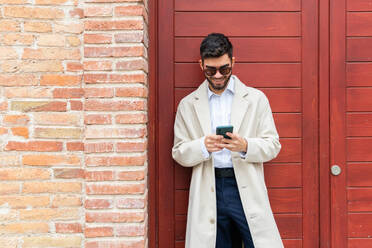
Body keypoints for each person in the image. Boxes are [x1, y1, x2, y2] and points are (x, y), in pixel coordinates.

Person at [172, 33, 284, 248]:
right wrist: (202, 146)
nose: (217, 76)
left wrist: (245, 146)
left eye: (224, 69)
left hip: (244, 183)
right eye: (210, 70)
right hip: (209, 185)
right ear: (201, 65)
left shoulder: (256, 99)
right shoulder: (188, 104)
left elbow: (273, 145)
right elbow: (179, 152)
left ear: (233, 62)